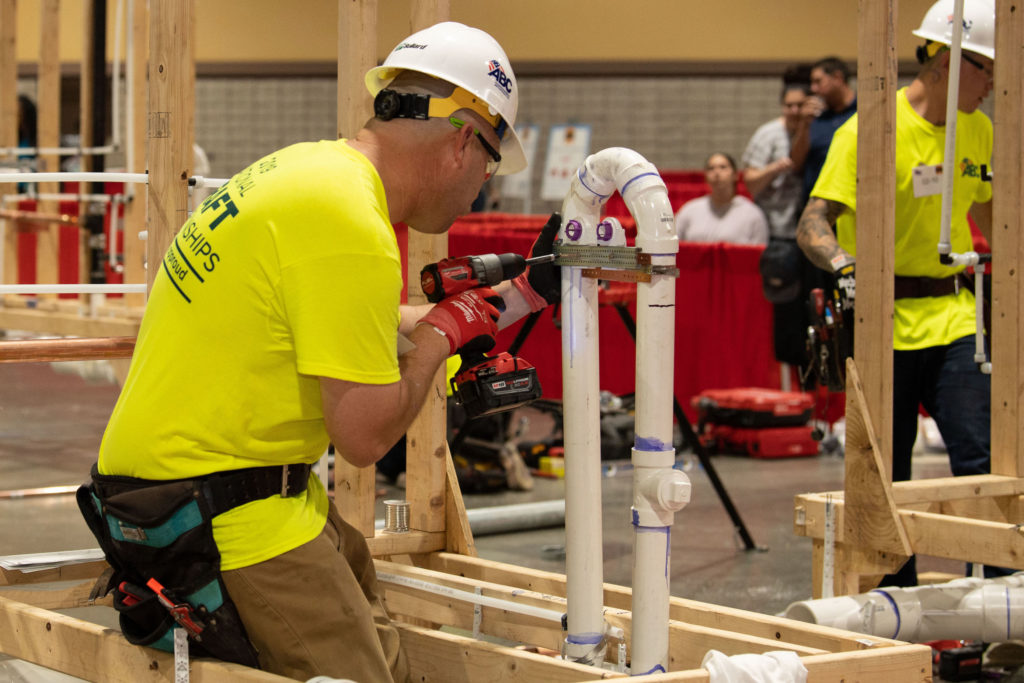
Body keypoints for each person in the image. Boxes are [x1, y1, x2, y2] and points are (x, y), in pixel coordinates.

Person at [76, 22, 561, 682]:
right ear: (460, 143)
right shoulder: (350, 224)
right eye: (490, 160)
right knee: (360, 672)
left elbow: (359, 324)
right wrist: (445, 333)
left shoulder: (311, 174)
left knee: (384, 636)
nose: (482, 183)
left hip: (197, 485)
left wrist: (519, 297)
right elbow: (363, 437)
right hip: (213, 509)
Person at [795, 0, 995, 585]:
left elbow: (1000, 217)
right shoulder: (871, 130)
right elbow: (813, 222)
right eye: (986, 70)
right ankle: (895, 600)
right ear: (946, 65)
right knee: (888, 469)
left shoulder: (979, 129)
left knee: (977, 457)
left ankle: (996, 596)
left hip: (956, 315)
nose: (994, 86)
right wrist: (845, 264)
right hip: (884, 321)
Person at [742, 66, 813, 240]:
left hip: (810, 228)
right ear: (782, 106)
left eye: (800, 105)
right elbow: (750, 182)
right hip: (776, 229)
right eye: (789, 106)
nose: (795, 111)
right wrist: (773, 168)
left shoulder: (818, 131)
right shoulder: (768, 134)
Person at [796, 56, 857, 204]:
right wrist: (804, 125)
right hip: (814, 205)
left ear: (837, 77)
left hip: (850, 204)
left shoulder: (863, 112)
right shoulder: (815, 117)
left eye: (818, 81)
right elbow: (797, 163)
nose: (813, 89)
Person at [675, 152, 769, 246]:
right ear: (706, 177)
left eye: (723, 167)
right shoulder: (689, 210)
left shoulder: (752, 214)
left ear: (735, 175)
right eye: (711, 168)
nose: (717, 173)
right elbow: (673, 245)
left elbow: (759, 254)